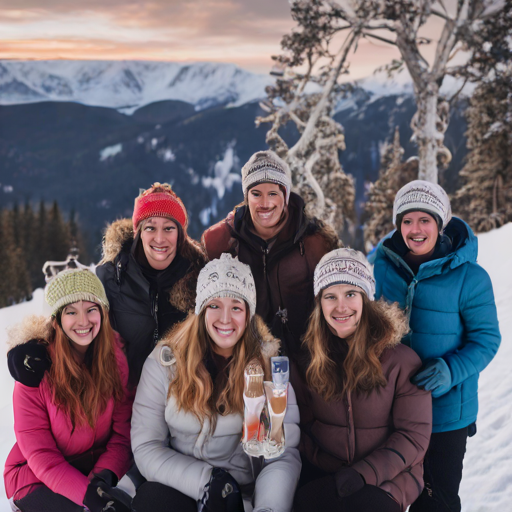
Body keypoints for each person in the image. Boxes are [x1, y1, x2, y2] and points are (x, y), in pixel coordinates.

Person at [130, 253, 301, 512]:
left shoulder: (268, 367)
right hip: (183, 488)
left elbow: (281, 454)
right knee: (151, 501)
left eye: (236, 307)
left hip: (244, 497)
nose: (225, 318)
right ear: (201, 309)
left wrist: (267, 508)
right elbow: (147, 446)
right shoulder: (165, 362)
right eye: (214, 305)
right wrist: (207, 482)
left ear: (248, 314)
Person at [372, 180, 501, 512]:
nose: (415, 229)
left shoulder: (470, 277)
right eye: (407, 221)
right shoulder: (381, 267)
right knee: (389, 494)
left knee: (436, 501)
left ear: (440, 224)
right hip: (391, 406)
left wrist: (450, 369)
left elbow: (487, 339)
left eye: (424, 220)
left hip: (445, 414)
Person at [294, 248, 432, 512]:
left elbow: (413, 436)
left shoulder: (401, 361)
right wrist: (325, 467)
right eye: (330, 296)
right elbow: (303, 427)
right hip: (332, 477)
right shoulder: (309, 362)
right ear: (319, 303)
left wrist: (363, 473)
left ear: (366, 298)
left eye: (350, 294)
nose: (341, 306)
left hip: (390, 480)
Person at [4, 269, 133, 512]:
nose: (83, 321)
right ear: (56, 320)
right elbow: (42, 455)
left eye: (91, 309)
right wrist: (90, 497)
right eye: (71, 311)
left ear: (102, 313)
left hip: (91, 469)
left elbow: (122, 435)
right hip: (35, 477)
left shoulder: (115, 361)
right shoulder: (35, 373)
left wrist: (103, 478)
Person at [201, 150, 339, 364]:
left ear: (286, 195)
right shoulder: (220, 241)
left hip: (309, 360)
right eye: (256, 194)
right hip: (244, 362)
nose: (265, 203)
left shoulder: (315, 241)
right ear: (247, 197)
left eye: (273, 193)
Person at [96, 182, 207, 387]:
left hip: (182, 406)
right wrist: (32, 348)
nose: (159, 238)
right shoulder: (110, 278)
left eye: (168, 228)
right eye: (150, 227)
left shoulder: (200, 278)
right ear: (138, 231)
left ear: (180, 234)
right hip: (124, 406)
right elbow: (74, 323)